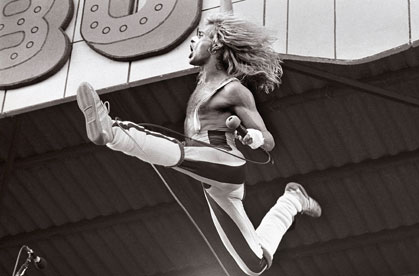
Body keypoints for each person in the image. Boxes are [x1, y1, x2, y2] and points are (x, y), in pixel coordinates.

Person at [77, 12, 321, 276]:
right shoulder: (200, 89)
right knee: (255, 266)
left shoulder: (233, 90)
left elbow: (269, 141)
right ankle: (293, 200)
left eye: (199, 37)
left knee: (179, 153)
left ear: (215, 44)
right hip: (214, 183)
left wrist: (255, 138)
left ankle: (112, 131)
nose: (192, 43)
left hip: (225, 161)